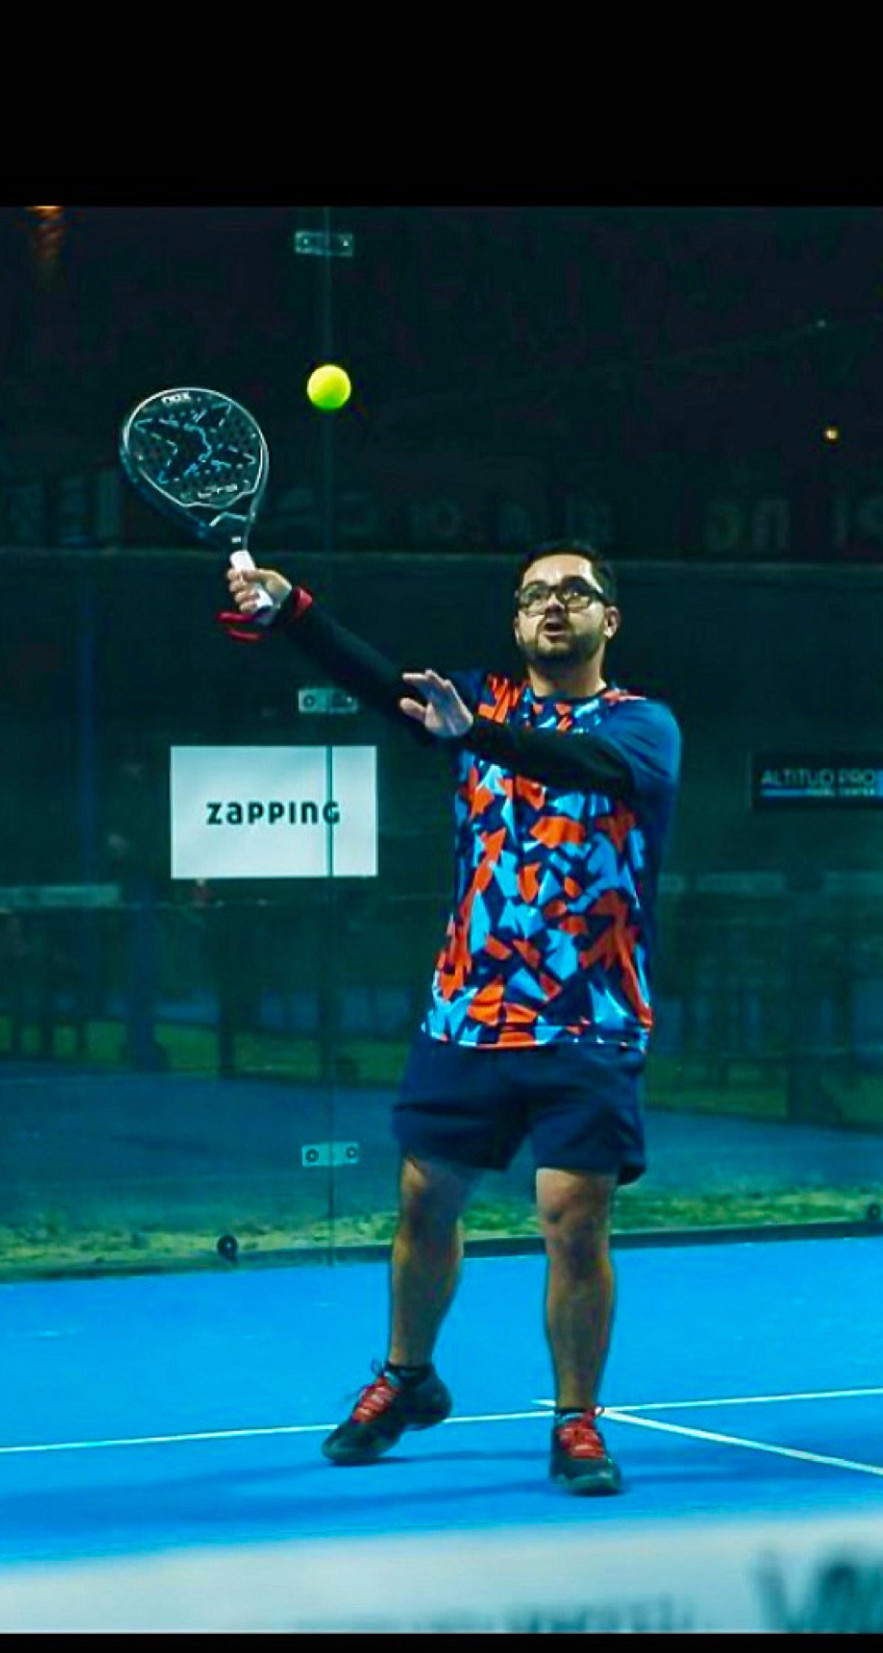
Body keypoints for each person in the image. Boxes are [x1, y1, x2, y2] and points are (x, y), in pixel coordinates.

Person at [223, 542, 681, 1496]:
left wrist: (476, 734)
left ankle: (577, 1422)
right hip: (466, 1014)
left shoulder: (641, 726)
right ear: (516, 621)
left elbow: (574, 763)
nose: (554, 605)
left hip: (587, 1022)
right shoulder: (473, 701)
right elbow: (374, 680)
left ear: (609, 619)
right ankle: (407, 1378)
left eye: (575, 593)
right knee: (424, 1204)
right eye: (535, 595)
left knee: (573, 1221)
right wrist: (290, 607)